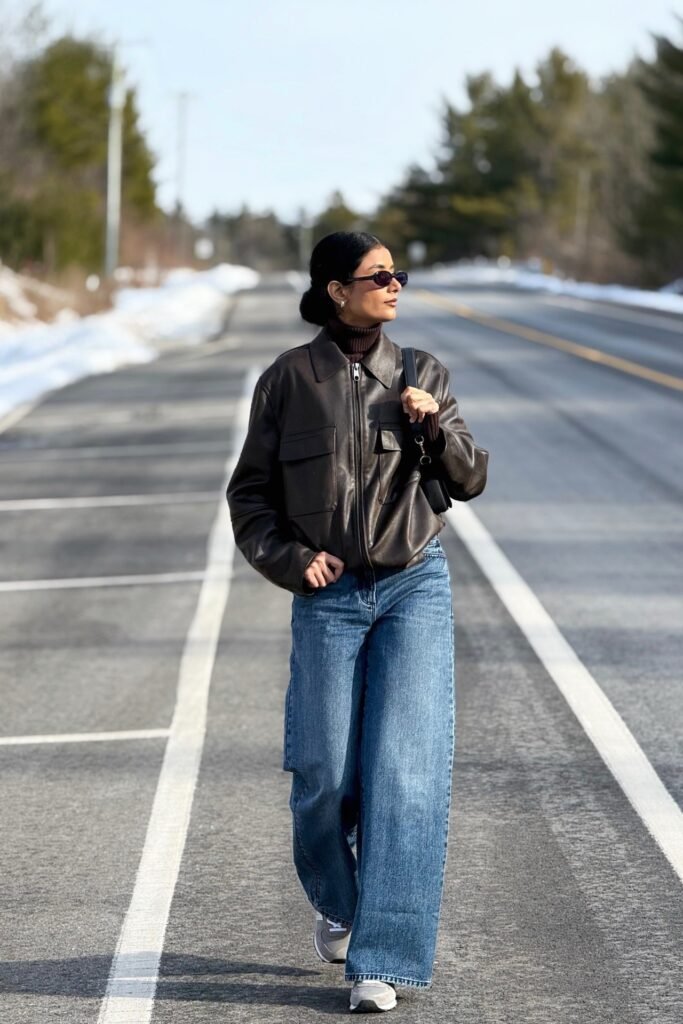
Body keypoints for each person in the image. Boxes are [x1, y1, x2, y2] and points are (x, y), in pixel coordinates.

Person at [226, 231, 488, 1013]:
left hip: (413, 584)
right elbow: (250, 495)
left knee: (406, 774)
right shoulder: (287, 381)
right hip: (330, 595)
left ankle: (382, 960)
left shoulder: (420, 373)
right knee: (322, 775)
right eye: (378, 276)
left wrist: (433, 427)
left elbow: (470, 478)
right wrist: (289, 559)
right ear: (336, 290)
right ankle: (339, 903)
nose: (394, 285)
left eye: (397, 274)